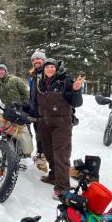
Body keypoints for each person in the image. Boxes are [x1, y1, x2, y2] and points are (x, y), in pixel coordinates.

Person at [33, 58, 83, 199]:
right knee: (49, 153)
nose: (49, 69)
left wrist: (76, 90)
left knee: (61, 155)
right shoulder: (41, 83)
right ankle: (54, 176)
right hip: (46, 122)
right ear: (43, 70)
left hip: (62, 123)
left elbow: (76, 102)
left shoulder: (65, 80)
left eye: (52, 67)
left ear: (56, 68)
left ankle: (62, 188)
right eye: (47, 67)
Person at [28, 49, 48, 173]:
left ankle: (48, 166)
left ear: (44, 60)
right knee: (39, 136)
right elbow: (33, 94)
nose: (36, 61)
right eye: (34, 59)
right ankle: (41, 159)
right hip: (36, 112)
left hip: (46, 113)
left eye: (38, 59)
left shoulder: (48, 73)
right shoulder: (34, 75)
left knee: (47, 139)